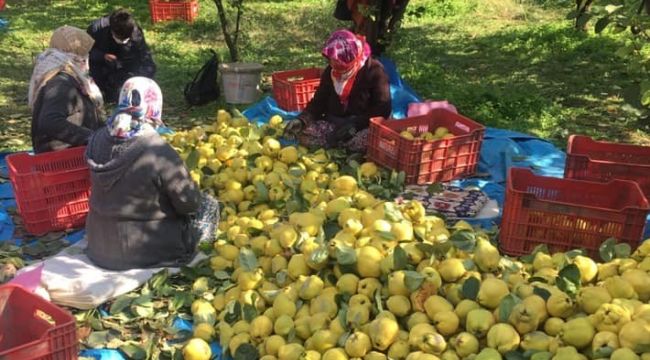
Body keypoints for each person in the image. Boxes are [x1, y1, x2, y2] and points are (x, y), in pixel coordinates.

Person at [84, 77, 217, 270]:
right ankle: (193, 252)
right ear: (154, 107)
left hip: (99, 247)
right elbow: (189, 204)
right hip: (146, 253)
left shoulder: (96, 139)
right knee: (208, 205)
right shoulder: (158, 151)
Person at [284, 29, 391, 152]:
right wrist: (302, 120)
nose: (335, 67)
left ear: (352, 59)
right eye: (332, 61)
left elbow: (383, 108)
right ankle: (339, 146)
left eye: (340, 64)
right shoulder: (330, 71)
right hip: (334, 124)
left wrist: (355, 125)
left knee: (369, 140)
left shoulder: (374, 71)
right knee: (303, 132)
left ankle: (344, 147)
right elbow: (319, 102)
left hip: (361, 126)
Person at [29, 25, 104, 154]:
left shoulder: (71, 75)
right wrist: (92, 138)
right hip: (64, 156)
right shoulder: (60, 83)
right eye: (85, 55)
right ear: (76, 56)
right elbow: (49, 121)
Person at [87, 9, 156, 102]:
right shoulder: (97, 29)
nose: (123, 42)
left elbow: (146, 58)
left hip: (124, 69)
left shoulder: (135, 32)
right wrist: (102, 56)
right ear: (112, 30)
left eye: (126, 39)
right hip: (101, 67)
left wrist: (140, 78)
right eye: (119, 38)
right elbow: (84, 53)